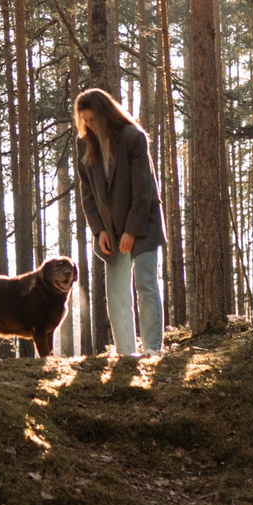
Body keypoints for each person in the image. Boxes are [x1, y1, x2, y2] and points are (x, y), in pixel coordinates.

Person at [73, 86, 164, 357]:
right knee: (116, 293)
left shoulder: (133, 137)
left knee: (145, 284)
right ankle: (126, 352)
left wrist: (131, 231)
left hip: (143, 223)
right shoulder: (84, 143)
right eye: (84, 120)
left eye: (92, 119)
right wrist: (99, 230)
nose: (88, 124)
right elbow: (87, 193)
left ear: (105, 114)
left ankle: (152, 349)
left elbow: (143, 189)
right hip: (109, 229)